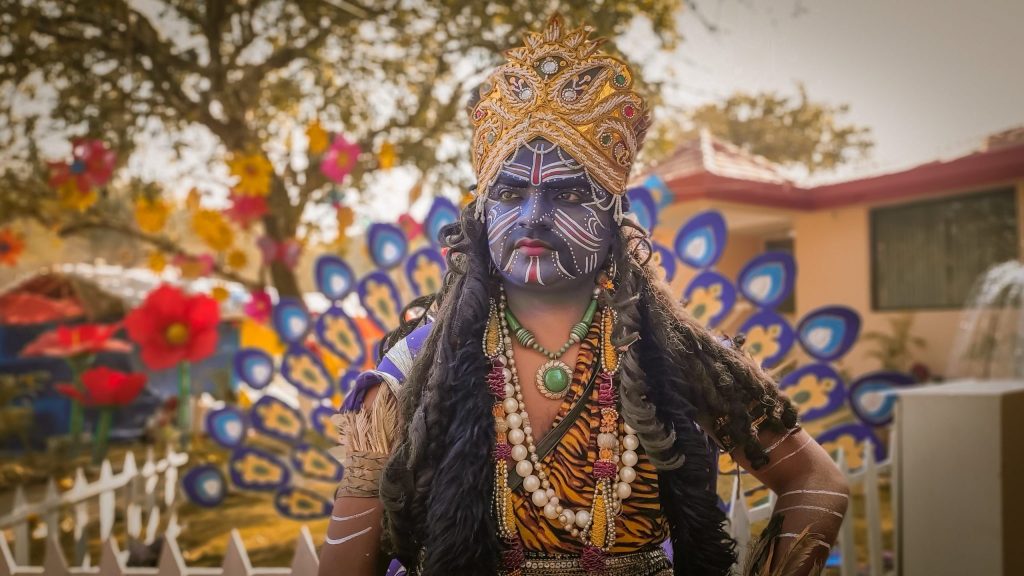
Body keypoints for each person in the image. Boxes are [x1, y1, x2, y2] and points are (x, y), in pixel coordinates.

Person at [319, 15, 848, 576]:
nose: (532, 216)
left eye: (569, 193)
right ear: (482, 213)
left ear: (613, 216)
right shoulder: (412, 371)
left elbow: (817, 481)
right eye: (510, 192)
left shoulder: (676, 358)